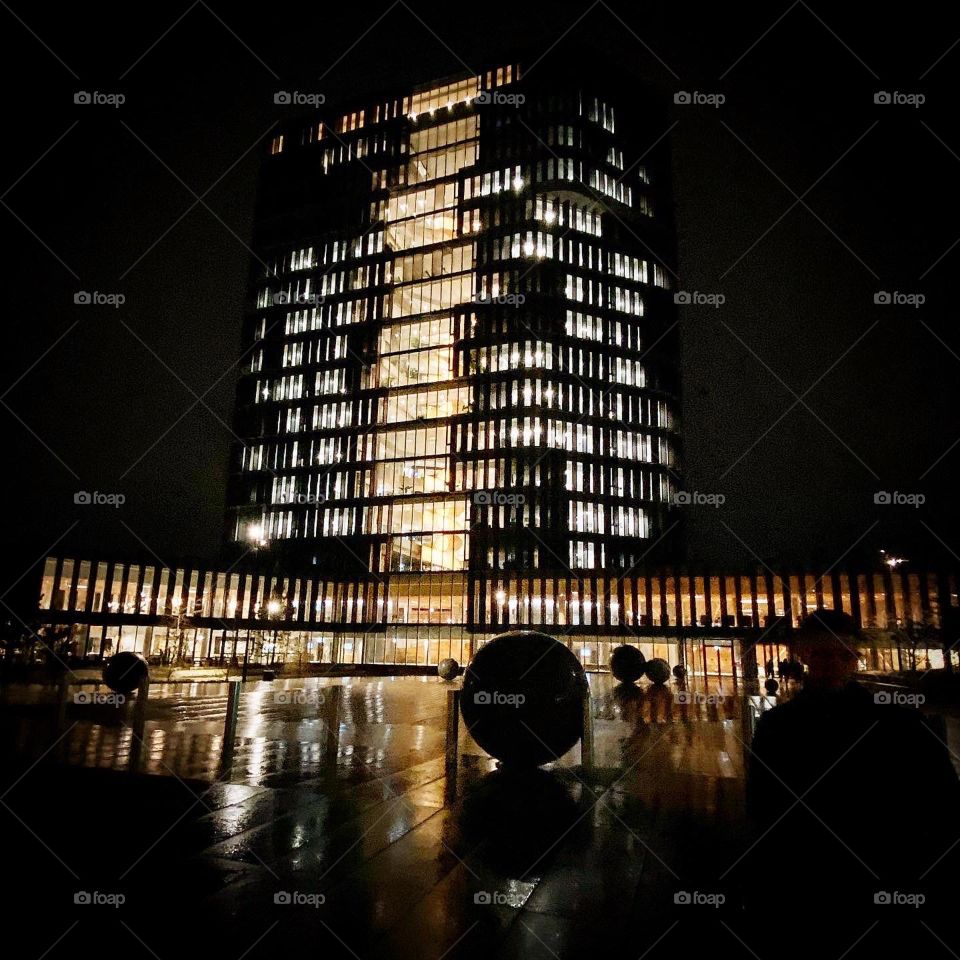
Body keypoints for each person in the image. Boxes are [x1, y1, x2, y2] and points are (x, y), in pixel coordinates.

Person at [744, 609, 958, 929]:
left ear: (854, 657)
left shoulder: (897, 723)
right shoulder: (895, 722)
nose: (833, 663)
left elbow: (940, 802)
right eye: (822, 653)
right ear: (805, 655)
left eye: (841, 654)